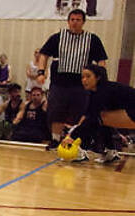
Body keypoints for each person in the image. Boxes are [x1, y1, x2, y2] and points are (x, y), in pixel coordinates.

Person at [38, 9, 107, 149]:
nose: (75, 22)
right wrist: (41, 71)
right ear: (68, 21)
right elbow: (44, 54)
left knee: (80, 113)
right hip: (59, 83)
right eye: (72, 19)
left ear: (83, 22)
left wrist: (101, 78)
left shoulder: (92, 39)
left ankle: (76, 141)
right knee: (56, 112)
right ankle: (56, 140)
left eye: (78, 20)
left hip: (82, 84)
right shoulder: (57, 37)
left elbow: (101, 60)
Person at [64, 64, 135, 163]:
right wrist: (75, 130)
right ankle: (110, 151)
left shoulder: (103, 91)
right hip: (129, 111)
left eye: (88, 76)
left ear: (97, 78)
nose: (84, 80)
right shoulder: (94, 93)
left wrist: (72, 137)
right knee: (102, 119)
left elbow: (91, 119)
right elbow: (87, 115)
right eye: (82, 77)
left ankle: (83, 150)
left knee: (99, 119)